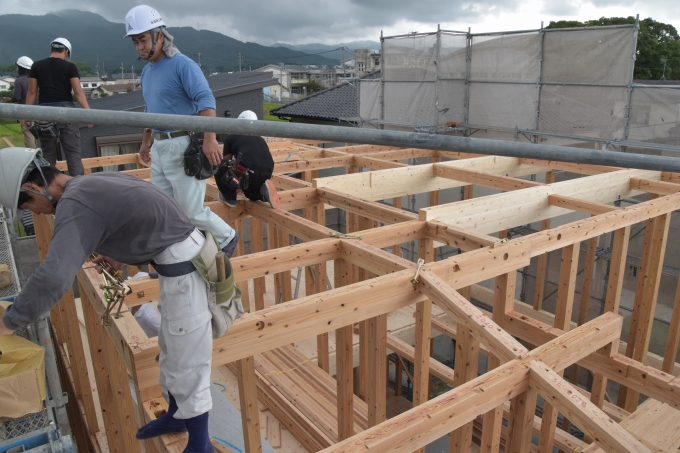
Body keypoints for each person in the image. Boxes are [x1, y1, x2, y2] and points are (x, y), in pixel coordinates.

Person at [0, 147, 227, 453]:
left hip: (187, 271)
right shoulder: (86, 185)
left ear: (35, 187)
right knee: (172, 350)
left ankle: (201, 446)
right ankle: (177, 416)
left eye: (30, 206)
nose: (37, 212)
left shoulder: (76, 202)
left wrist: (9, 322)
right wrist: (121, 255)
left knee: (189, 358)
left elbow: (54, 276)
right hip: (181, 257)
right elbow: (141, 216)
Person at [124, 5, 239, 258]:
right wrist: (145, 143)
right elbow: (149, 109)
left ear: (160, 36)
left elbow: (206, 100)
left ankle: (227, 237)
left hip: (183, 144)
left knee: (190, 211)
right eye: (135, 42)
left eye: (143, 39)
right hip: (160, 145)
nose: (140, 47)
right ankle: (176, 254)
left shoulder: (181, 65)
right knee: (163, 209)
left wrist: (210, 139)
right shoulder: (146, 72)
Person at [25, 37, 92, 176]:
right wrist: (89, 115)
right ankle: (77, 189)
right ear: (66, 52)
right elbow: (78, 92)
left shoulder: (36, 66)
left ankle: (49, 190)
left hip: (44, 113)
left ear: (51, 49)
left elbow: (32, 92)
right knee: (72, 154)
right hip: (66, 112)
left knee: (48, 155)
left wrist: (26, 114)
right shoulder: (70, 67)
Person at [215, 110, 279, 209]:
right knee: (249, 193)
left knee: (221, 165)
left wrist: (232, 184)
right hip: (268, 171)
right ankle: (262, 193)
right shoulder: (260, 138)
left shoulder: (231, 136)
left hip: (248, 171)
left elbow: (226, 162)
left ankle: (229, 197)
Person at [3, 56, 36, 149]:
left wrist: (10, 100)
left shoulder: (19, 80)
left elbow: (17, 97)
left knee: (28, 135)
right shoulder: (36, 79)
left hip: (25, 111)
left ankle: (33, 157)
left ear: (22, 69)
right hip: (39, 110)